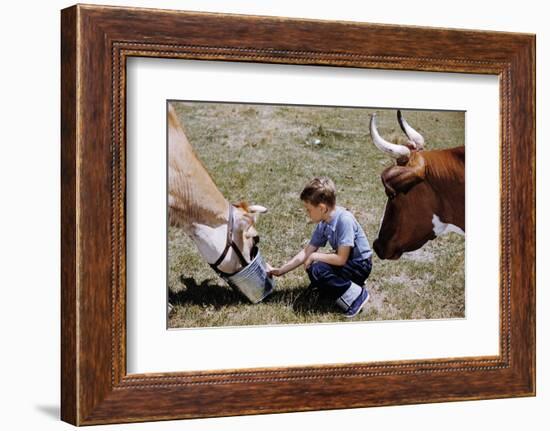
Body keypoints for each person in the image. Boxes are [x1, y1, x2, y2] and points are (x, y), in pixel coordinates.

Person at [268, 177, 373, 317]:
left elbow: (341, 259)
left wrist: (314, 256)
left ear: (322, 208)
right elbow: (307, 251)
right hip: (348, 263)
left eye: (309, 209)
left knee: (318, 268)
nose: (307, 213)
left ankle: (356, 297)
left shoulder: (344, 220)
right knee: (314, 268)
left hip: (360, 265)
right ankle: (345, 285)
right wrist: (280, 271)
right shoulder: (324, 222)